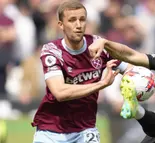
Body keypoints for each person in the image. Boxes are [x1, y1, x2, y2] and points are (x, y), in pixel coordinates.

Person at [31, 0, 132, 142]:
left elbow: (129, 68)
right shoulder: (52, 51)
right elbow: (60, 92)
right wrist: (102, 84)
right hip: (50, 131)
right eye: (72, 20)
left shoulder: (98, 46)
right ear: (61, 24)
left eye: (82, 19)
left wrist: (147, 83)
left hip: (85, 130)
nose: (78, 25)